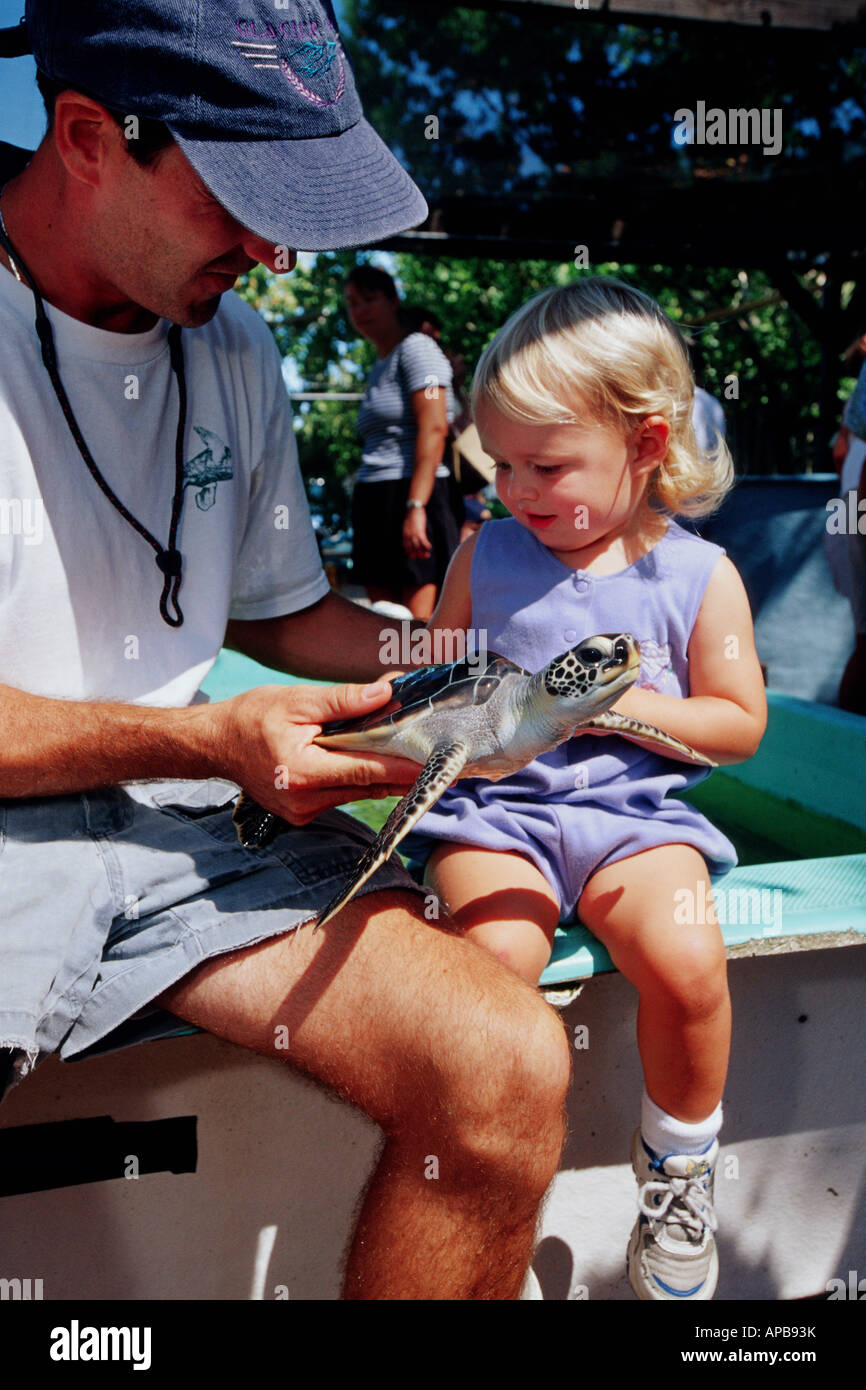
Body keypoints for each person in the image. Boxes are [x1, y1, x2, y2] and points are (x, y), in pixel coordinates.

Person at [0, 0, 571, 1301]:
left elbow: (279, 611)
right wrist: (204, 737)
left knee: (507, 1067)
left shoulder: (237, 344)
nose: (273, 249)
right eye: (239, 200)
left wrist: (469, 668)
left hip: (180, 811)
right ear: (87, 136)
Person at [406, 278, 767, 1300]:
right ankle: (488, 1202)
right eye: (500, 463)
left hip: (629, 818)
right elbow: (437, 681)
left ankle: (678, 1168)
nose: (516, 487)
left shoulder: (698, 575)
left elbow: (737, 723)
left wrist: (621, 712)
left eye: (545, 465)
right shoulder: (486, 551)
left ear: (646, 444)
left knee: (688, 957)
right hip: (499, 816)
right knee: (487, 976)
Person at [344, 267, 461, 619]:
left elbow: (435, 427)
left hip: (413, 494)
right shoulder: (380, 364)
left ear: (393, 301)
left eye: (369, 299)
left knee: (418, 635)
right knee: (382, 625)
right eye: (352, 303)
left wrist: (416, 507)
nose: (360, 310)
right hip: (374, 495)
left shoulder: (417, 349)